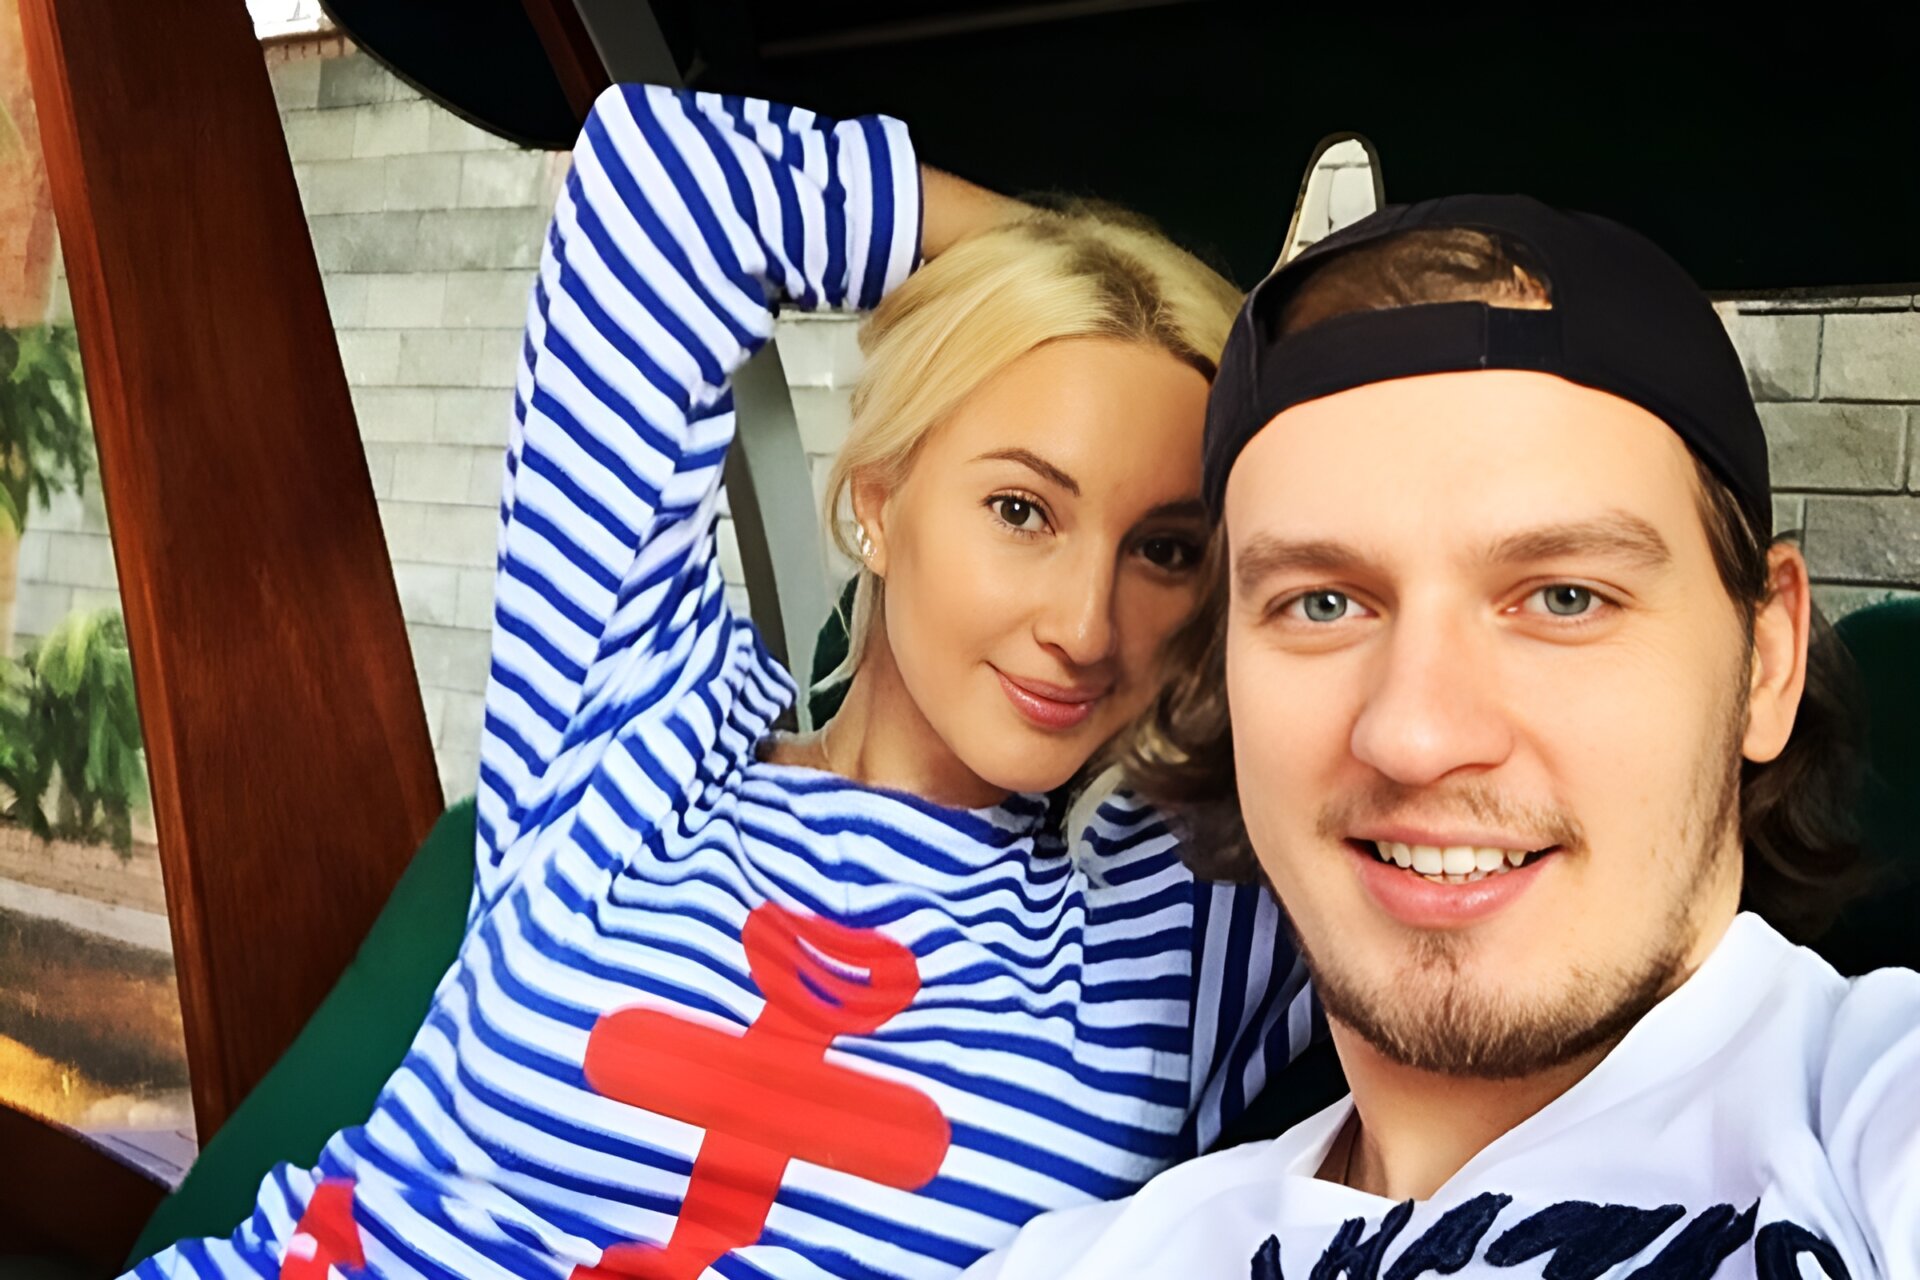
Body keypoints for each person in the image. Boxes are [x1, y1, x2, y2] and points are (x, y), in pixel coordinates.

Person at [126, 86, 1313, 1280]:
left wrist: (1272, 402)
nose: (1084, 623)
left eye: (1166, 550)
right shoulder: (630, 729)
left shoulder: (1169, 932)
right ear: (880, 498)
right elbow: (667, 186)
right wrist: (1066, 273)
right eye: (1021, 508)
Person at [968, 197, 1920, 1280]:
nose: (1415, 735)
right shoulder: (1106, 1256)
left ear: (1767, 660)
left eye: (1563, 596)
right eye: (1323, 604)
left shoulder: (1867, 1123)